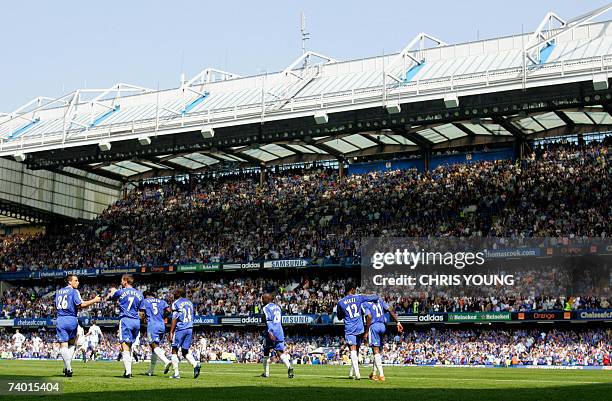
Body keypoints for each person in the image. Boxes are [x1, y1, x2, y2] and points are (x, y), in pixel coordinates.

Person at [55, 274, 100, 376]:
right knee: (71, 344)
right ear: (70, 282)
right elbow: (81, 305)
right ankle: (68, 368)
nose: (78, 282)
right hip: (71, 319)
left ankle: (67, 367)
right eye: (76, 280)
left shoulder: (58, 292)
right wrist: (94, 300)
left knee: (63, 345)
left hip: (60, 319)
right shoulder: (74, 291)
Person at [336, 285, 378, 380]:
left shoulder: (341, 302)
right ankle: (352, 373)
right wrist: (375, 297)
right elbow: (373, 297)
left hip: (350, 328)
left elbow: (339, 317)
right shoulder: (358, 297)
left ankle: (358, 375)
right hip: (360, 328)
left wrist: (345, 312)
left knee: (353, 350)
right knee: (357, 350)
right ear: (352, 289)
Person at [107, 274, 144, 378]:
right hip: (136, 321)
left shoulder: (121, 291)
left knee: (125, 346)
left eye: (122, 281)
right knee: (130, 346)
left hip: (125, 320)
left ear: (125, 281)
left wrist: (112, 291)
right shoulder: (139, 294)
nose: (121, 282)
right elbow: (142, 312)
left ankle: (128, 372)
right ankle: (127, 370)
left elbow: (110, 298)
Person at [363, 298, 403, 381]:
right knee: (377, 351)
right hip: (383, 326)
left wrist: (366, 332)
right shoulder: (380, 301)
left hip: (374, 326)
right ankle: (373, 373)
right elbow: (390, 311)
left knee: (375, 350)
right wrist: (398, 322)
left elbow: (369, 316)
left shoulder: (366, 303)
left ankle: (381, 375)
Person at [167, 288, 200, 379]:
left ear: (178, 294)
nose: (173, 294)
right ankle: (195, 364)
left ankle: (176, 374)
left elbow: (175, 318)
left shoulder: (176, 303)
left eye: (174, 292)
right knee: (185, 351)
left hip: (181, 328)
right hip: (189, 328)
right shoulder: (190, 303)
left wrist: (171, 332)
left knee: (174, 350)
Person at [260, 293, 294, 379]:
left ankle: (266, 373)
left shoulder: (266, 308)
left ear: (268, 299)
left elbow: (269, 320)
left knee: (266, 352)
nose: (262, 301)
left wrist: (270, 332)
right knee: (280, 352)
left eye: (263, 299)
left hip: (270, 332)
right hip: (279, 331)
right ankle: (289, 367)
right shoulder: (278, 307)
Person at [140, 290, 172, 375]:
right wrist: (162, 317)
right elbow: (169, 311)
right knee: (154, 347)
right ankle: (151, 370)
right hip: (162, 325)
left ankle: (166, 361)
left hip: (152, 325)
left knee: (154, 345)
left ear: (146, 295)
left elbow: (142, 314)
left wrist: (142, 321)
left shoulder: (145, 301)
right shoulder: (162, 301)